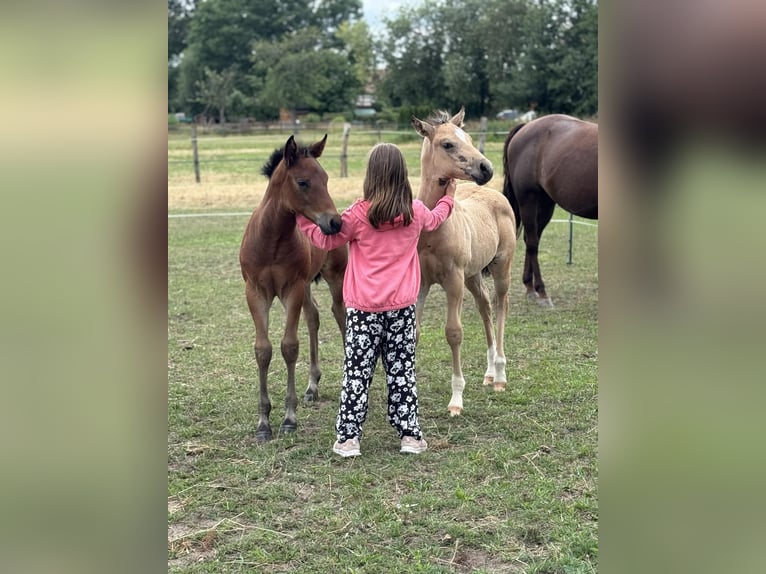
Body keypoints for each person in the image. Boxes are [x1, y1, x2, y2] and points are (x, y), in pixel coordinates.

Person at [296, 143, 456, 457]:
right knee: (402, 372)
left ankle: (348, 439)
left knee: (356, 373)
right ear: (402, 175)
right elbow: (437, 218)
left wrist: (301, 218)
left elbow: (325, 239)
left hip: (362, 310)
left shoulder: (357, 215)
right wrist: (450, 196)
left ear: (371, 175)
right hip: (402, 309)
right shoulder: (415, 212)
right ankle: (410, 436)